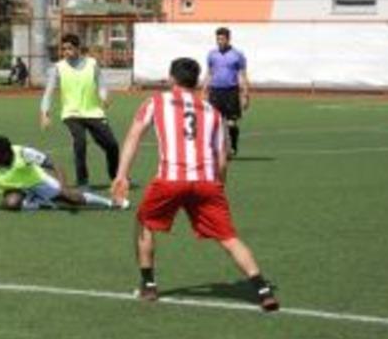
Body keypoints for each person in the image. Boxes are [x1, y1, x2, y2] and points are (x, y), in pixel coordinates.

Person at [110, 57, 279, 311]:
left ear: (171, 79)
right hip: (206, 183)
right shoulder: (213, 111)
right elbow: (222, 158)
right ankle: (263, 290)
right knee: (229, 237)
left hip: (171, 180)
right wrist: (219, 186)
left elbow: (133, 137)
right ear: (198, 81)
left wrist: (121, 174)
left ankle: (148, 286)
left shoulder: (155, 102)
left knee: (144, 223)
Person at [40, 33, 119, 190]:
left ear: (78, 48)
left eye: (69, 48)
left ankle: (115, 176)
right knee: (80, 143)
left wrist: (104, 97)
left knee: (112, 145)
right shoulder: (58, 68)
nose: (65, 52)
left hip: (94, 112)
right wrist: (44, 114)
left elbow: (101, 84)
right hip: (72, 114)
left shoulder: (92, 64)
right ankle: (83, 182)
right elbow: (48, 93)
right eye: (63, 49)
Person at [0, 135, 126, 212]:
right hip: (15, 188)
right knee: (11, 203)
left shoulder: (23, 153)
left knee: (72, 199)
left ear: (6, 154)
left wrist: (63, 188)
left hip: (37, 181)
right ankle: (41, 203)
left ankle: (111, 203)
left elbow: (56, 166)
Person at [203, 27, 250, 157]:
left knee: (231, 123)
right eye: (218, 39)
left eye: (222, 39)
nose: (219, 41)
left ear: (228, 39)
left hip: (231, 92)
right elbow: (209, 73)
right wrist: (204, 89)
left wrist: (245, 94)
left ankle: (233, 146)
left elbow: (242, 75)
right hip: (215, 92)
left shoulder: (237, 55)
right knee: (212, 122)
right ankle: (213, 149)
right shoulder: (212, 54)